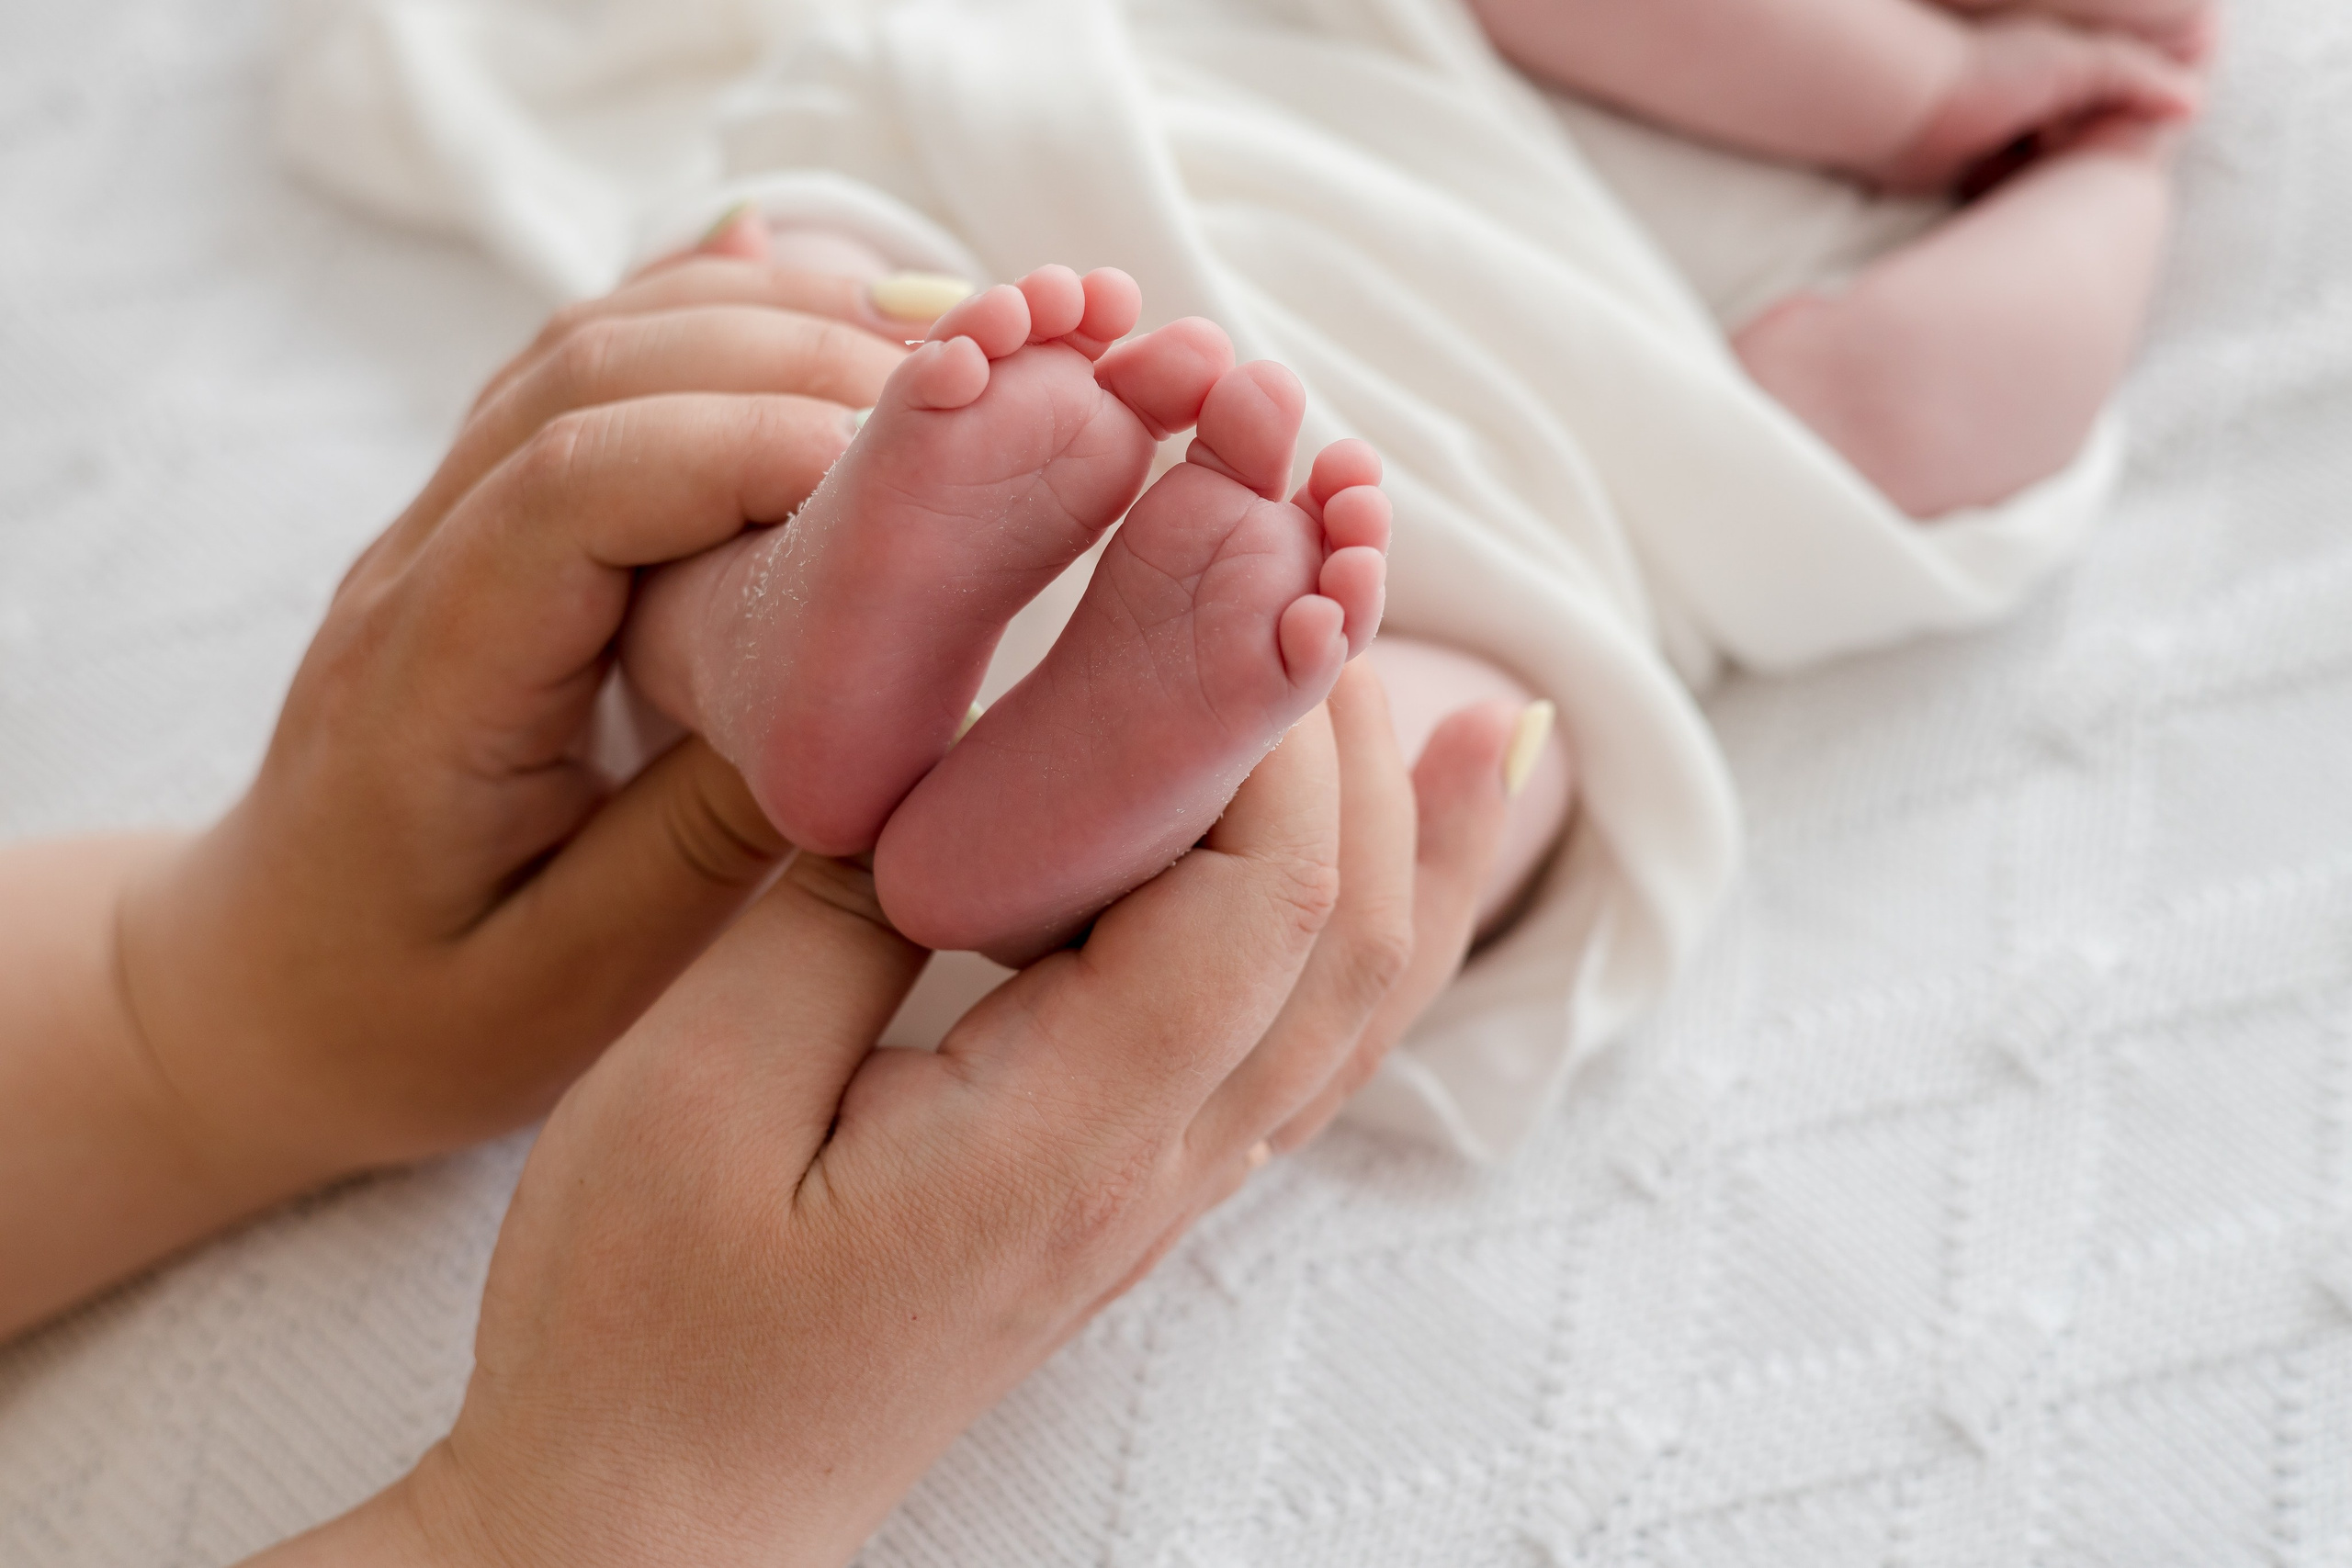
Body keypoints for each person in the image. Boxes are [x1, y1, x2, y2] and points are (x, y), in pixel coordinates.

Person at [0, 254, 1521, 1565]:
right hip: (1399, 463)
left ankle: (768, 653)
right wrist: (599, 1519)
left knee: (766, 396)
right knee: (1468, 714)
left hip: (973, 354)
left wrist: (193, 1022)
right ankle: (1122, 817)